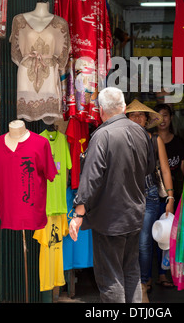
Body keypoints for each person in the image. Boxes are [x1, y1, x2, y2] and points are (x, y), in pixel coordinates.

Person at [69, 87, 155, 303]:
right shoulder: (141, 133)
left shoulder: (102, 135)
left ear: (100, 111)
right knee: (131, 272)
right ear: (124, 107)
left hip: (109, 219)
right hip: (134, 215)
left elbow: (91, 177)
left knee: (111, 277)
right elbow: (148, 168)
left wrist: (78, 213)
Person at [126, 99, 175, 302]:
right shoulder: (122, 138)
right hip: (126, 197)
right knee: (128, 241)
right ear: (127, 118)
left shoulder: (155, 140)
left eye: (141, 115)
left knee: (144, 242)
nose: (137, 118)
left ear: (146, 119)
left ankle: (143, 283)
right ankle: (130, 281)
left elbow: (164, 169)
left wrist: (170, 197)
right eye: (133, 115)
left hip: (150, 195)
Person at [154, 103, 184, 206]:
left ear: (171, 117)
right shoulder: (150, 140)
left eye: (165, 115)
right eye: (158, 116)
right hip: (154, 195)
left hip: (175, 193)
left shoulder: (178, 142)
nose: (162, 120)